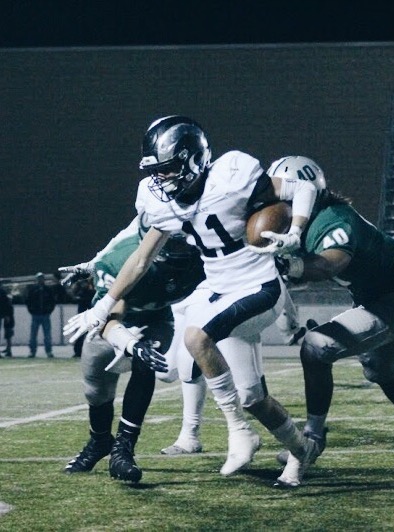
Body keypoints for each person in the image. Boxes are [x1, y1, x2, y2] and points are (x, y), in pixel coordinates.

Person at [63, 116, 321, 481]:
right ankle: (301, 450)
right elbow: (141, 257)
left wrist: (295, 229)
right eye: (157, 171)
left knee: (196, 338)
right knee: (238, 392)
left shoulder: (230, 176)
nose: (160, 179)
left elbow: (302, 188)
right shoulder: (160, 201)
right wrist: (105, 307)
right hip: (215, 289)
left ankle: (239, 432)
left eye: (167, 169)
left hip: (257, 285)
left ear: (193, 159)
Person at [262, 156, 394, 487]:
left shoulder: (333, 219)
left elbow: (331, 263)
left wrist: (290, 268)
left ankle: (312, 439)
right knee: (380, 371)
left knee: (316, 347)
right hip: (384, 298)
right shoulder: (315, 216)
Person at [63, 225, 206, 483]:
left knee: (147, 359)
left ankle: (123, 449)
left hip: (156, 319)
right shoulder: (119, 261)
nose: (177, 268)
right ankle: (99, 441)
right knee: (96, 390)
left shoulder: (200, 260)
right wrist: (131, 344)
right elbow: (109, 317)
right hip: (111, 322)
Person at [25, 272, 57, 358]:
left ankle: (48, 351)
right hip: (35, 315)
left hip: (45, 315)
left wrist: (49, 311)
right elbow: (28, 301)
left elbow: (52, 302)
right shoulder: (33, 290)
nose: (40, 280)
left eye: (42, 278)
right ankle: (32, 351)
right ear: (36, 279)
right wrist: (31, 311)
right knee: (33, 335)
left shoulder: (48, 290)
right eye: (39, 278)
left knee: (47, 335)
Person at [70, 277, 96, 358]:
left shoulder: (91, 292)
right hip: (83, 316)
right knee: (80, 334)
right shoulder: (82, 292)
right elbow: (73, 295)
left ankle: (87, 352)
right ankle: (78, 351)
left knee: (90, 335)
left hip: (90, 316)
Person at [0, 283, 14, 358]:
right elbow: (5, 304)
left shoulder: (2, 293)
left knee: (8, 334)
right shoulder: (3, 293)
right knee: (8, 334)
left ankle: (8, 350)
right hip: (4, 315)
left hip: (3, 315)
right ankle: (8, 350)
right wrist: (6, 315)